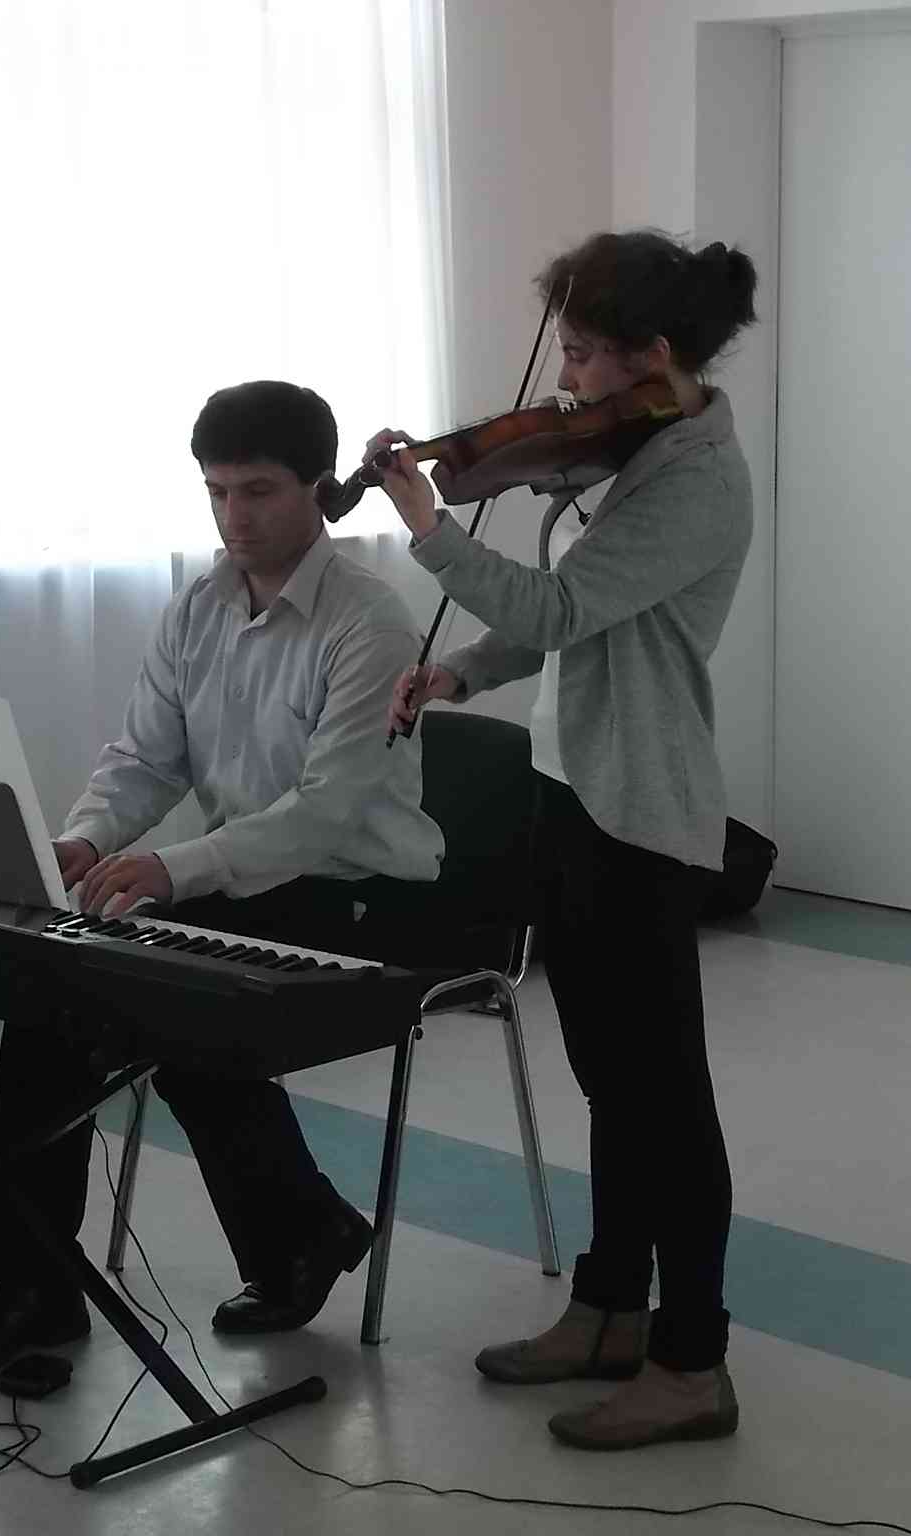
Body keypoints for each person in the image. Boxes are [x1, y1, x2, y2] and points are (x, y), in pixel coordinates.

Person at [0, 379, 444, 1375]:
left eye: (258, 492)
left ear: (317, 488)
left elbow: (325, 813)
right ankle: (35, 1287)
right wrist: (84, 838)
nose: (233, 518)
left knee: (164, 998)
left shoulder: (370, 624)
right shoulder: (197, 607)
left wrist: (169, 867)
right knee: (53, 987)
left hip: (365, 897)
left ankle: (294, 1234)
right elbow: (144, 759)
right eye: (216, 493)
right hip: (248, 875)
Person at [367, 230, 758, 1451]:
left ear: (652, 354)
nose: (564, 380)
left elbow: (562, 604)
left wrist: (428, 526)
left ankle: (691, 1363)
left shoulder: (695, 478)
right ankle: (606, 1309)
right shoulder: (633, 450)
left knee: (663, 1098)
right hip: (572, 785)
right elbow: (565, 627)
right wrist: (460, 671)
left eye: (582, 353)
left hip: (639, 808)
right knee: (608, 1082)